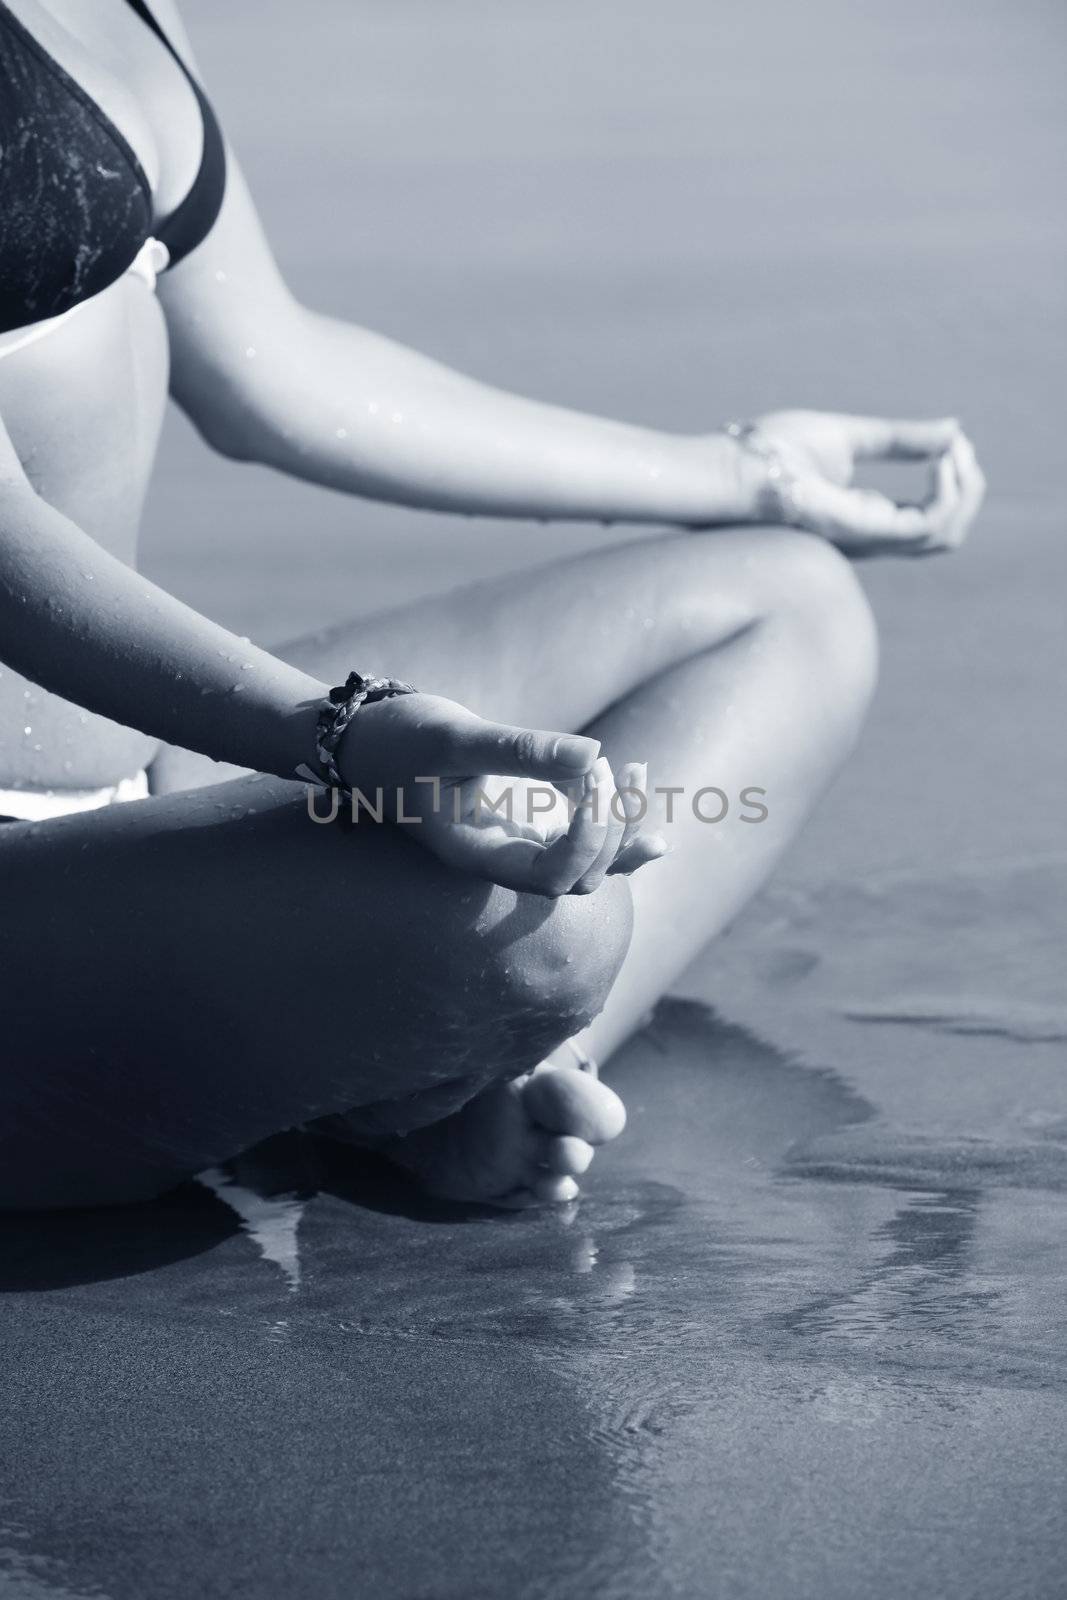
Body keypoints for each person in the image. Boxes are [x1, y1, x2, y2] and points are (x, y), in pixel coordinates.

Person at [0, 0, 984, 1211]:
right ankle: (433, 1057)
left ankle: (482, 1083)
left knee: (784, 601)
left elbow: (275, 376)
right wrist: (351, 738)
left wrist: (739, 475)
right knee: (531, 928)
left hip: (131, 792)